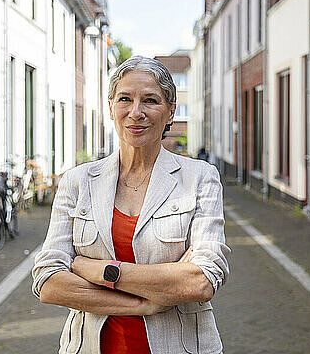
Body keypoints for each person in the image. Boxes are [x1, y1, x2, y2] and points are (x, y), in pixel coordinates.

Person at [31, 56, 231, 354]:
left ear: (170, 112)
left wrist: (97, 269)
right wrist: (145, 303)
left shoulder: (200, 178)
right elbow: (48, 282)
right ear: (111, 108)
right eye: (125, 99)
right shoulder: (77, 182)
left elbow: (201, 281)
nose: (136, 112)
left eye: (150, 100)